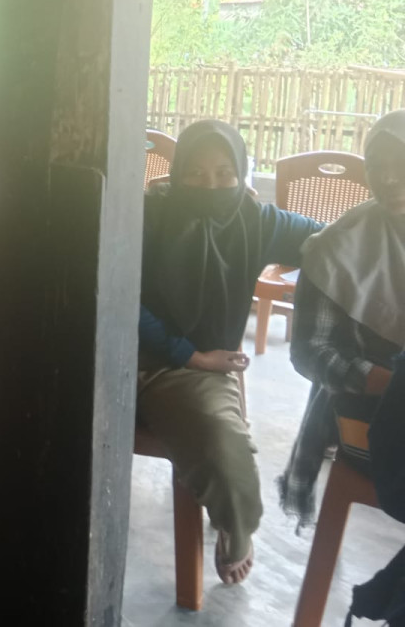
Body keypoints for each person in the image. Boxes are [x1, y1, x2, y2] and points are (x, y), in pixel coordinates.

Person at [137, 119, 324, 586]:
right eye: (195, 174)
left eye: (224, 173)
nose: (210, 185)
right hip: (116, 352)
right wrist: (188, 353)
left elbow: (329, 243)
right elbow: (119, 296)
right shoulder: (148, 215)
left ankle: (234, 526)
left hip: (188, 373)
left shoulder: (253, 220)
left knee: (224, 446)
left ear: (241, 174)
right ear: (178, 174)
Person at [279, 110, 405, 530]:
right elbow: (311, 351)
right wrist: (389, 384)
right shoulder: (336, 249)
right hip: (365, 408)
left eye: (400, 163)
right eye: (377, 166)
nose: (388, 178)